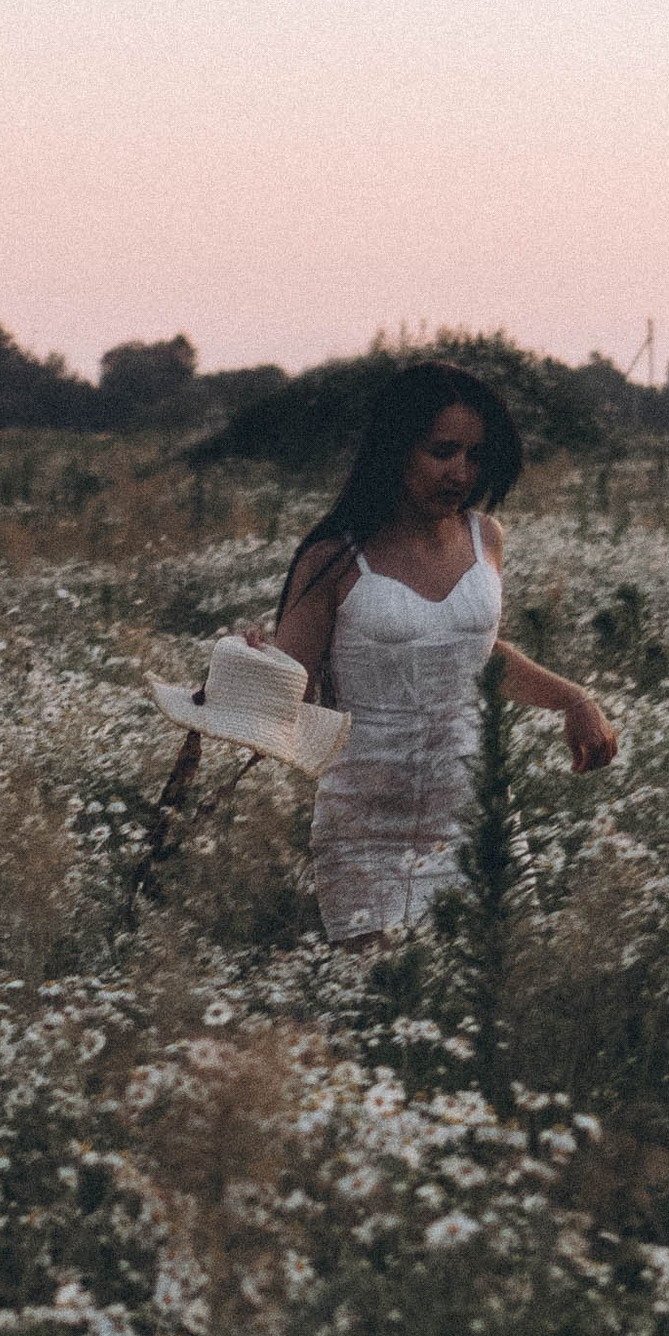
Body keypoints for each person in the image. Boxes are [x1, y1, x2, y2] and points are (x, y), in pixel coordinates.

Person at [261, 360, 616, 945]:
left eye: (475, 455)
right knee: (382, 997)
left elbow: (474, 655)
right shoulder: (335, 557)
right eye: (442, 451)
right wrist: (246, 667)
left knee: (502, 985)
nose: (461, 472)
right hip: (367, 834)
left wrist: (575, 700)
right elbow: (287, 689)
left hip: (479, 817)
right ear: (395, 448)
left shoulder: (485, 538)